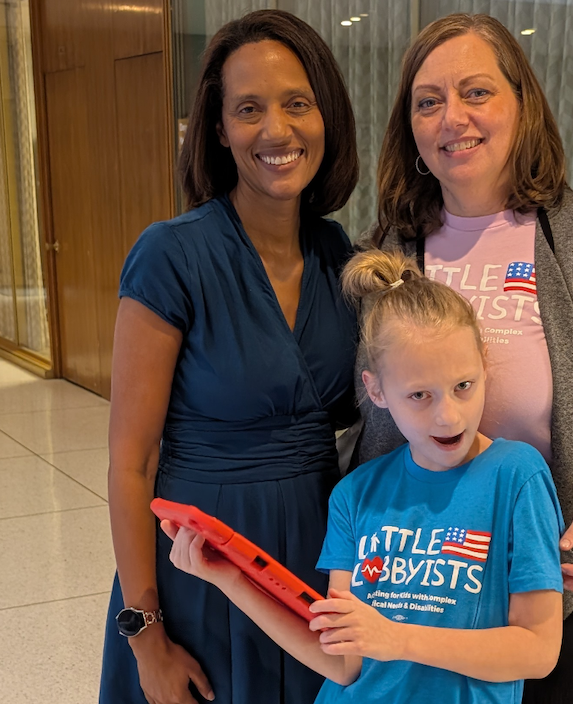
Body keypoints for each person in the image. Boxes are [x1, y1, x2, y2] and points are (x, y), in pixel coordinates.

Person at [355, 13, 573, 703]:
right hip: (410, 592)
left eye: (476, 92)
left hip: (542, 590)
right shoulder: (389, 247)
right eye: (428, 101)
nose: (453, 117)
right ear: (411, 129)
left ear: (522, 105)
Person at [163, 248, 566, 704]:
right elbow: (342, 662)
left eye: (463, 386)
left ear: (484, 368)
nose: (448, 415)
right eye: (419, 395)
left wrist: (397, 638)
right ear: (376, 390)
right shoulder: (355, 494)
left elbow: (538, 649)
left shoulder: (517, 476)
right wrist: (229, 579)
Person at [98, 10, 359, 704]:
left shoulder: (343, 258)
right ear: (218, 130)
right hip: (202, 567)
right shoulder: (172, 255)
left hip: (313, 563)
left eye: (296, 104)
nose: (276, 130)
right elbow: (130, 464)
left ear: (325, 115)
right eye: (249, 109)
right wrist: (145, 635)